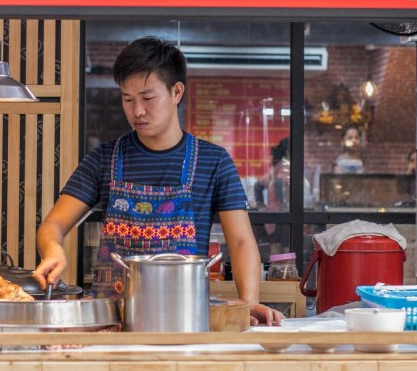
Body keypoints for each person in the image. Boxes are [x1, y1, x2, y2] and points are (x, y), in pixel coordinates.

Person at [34, 37, 282, 326]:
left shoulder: (214, 161)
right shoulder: (104, 159)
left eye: (147, 98)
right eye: (128, 99)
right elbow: (53, 225)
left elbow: (240, 241)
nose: (137, 111)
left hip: (185, 321)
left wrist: (248, 303)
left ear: (176, 92)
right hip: (115, 324)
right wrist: (52, 249)